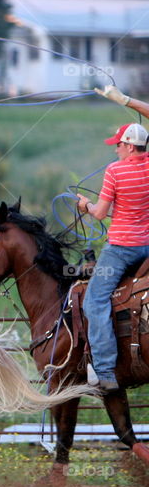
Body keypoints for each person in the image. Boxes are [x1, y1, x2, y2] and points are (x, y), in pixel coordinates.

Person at [76, 121, 149, 392]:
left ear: (130, 146)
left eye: (119, 145)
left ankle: (105, 370)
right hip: (147, 247)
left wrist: (85, 205)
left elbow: (100, 213)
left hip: (121, 249)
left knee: (94, 301)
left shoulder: (115, 171)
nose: (116, 149)